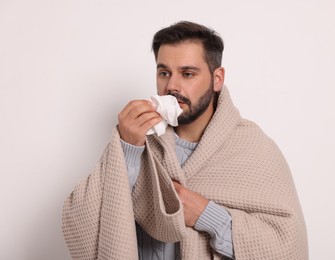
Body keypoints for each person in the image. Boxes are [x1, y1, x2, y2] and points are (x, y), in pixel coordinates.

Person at [62, 21, 308, 260]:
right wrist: (127, 148)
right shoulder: (137, 137)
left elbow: (287, 246)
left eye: (187, 73)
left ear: (217, 78)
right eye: (164, 72)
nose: (172, 86)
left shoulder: (254, 148)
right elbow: (83, 219)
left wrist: (205, 214)